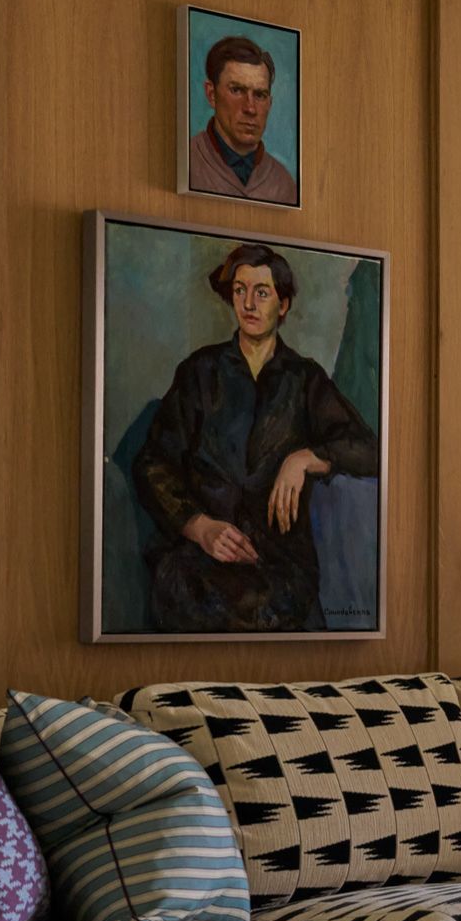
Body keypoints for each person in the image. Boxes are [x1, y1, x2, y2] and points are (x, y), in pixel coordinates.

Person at [132, 242, 380, 632]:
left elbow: (370, 450)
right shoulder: (200, 371)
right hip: (200, 566)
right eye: (239, 290)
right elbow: (152, 464)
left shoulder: (304, 378)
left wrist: (305, 458)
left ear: (283, 305)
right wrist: (199, 527)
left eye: (261, 292)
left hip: (280, 568)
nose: (248, 303)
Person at [185, 32, 297, 205]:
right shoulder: (187, 162)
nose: (250, 108)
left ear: (270, 103)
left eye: (260, 95)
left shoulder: (283, 184)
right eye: (236, 90)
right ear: (212, 94)